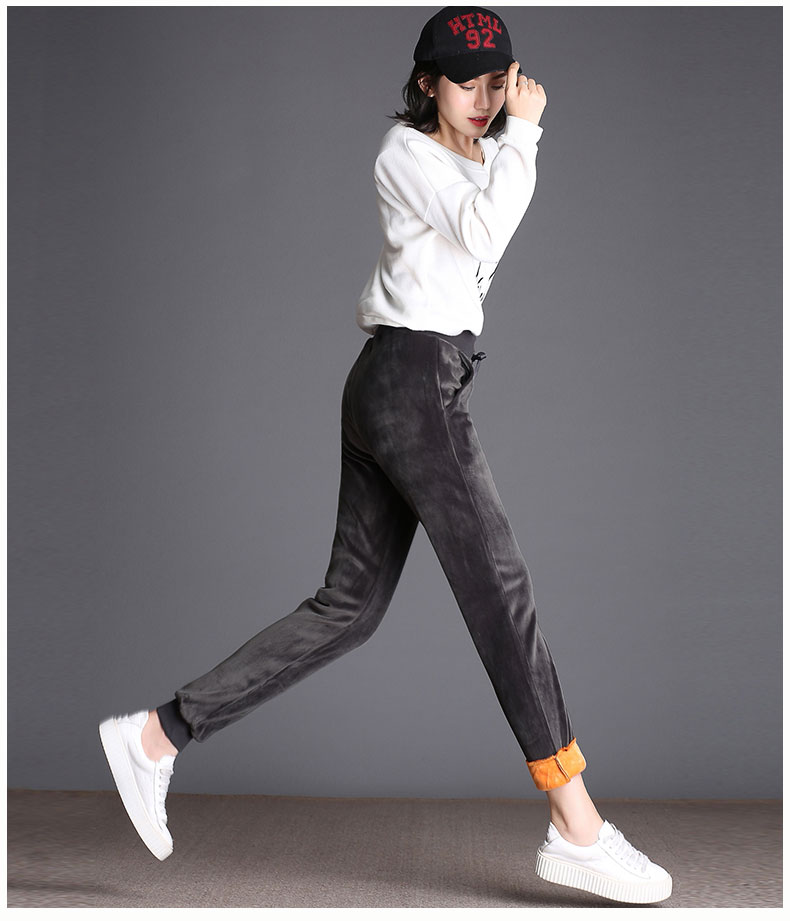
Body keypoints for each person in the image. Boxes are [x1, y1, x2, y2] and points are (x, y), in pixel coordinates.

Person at [99, 5, 672, 905]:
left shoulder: (487, 159)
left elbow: (488, 216)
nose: (484, 98)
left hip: (400, 384)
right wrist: (527, 134)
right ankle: (577, 824)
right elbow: (483, 234)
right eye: (464, 82)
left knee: (349, 608)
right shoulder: (406, 152)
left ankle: (154, 737)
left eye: (498, 82)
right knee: (500, 590)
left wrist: (511, 143)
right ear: (426, 84)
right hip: (411, 381)